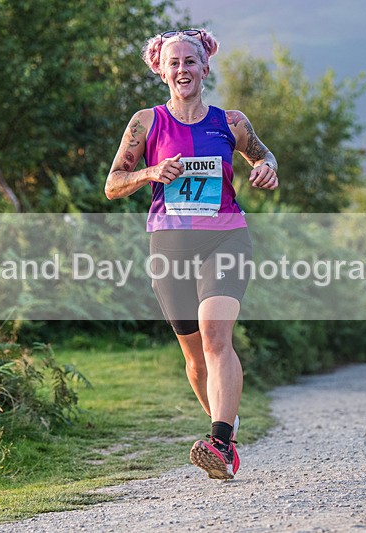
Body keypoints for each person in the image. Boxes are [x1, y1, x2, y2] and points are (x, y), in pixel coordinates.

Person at [104, 28, 278, 480]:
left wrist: (265, 169)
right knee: (195, 357)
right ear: (161, 70)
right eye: (174, 62)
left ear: (205, 67)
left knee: (216, 336)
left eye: (190, 61)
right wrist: (150, 172)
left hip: (226, 237)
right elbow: (112, 184)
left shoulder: (231, 121)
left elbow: (264, 156)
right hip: (170, 244)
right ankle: (228, 432)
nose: (182, 69)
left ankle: (220, 442)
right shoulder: (146, 123)